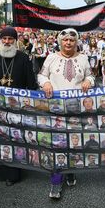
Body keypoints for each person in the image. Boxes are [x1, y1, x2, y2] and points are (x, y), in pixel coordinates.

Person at [39, 27, 94, 199]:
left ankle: (70, 171)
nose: (68, 43)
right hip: (55, 109)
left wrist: (87, 81)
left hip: (76, 109)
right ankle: (56, 181)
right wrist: (46, 82)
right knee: (57, 144)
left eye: (72, 40)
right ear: (60, 42)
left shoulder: (83, 59)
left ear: (76, 42)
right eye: (65, 40)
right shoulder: (51, 57)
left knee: (74, 142)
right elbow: (41, 76)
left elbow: (91, 76)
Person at [0, 27, 37, 186]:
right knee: (1, 136)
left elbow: (31, 83)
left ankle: (15, 173)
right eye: (4, 39)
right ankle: (2, 170)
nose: (7, 42)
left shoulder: (23, 58)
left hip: (17, 106)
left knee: (15, 137)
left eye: (10, 39)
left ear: (16, 41)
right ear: (0, 40)